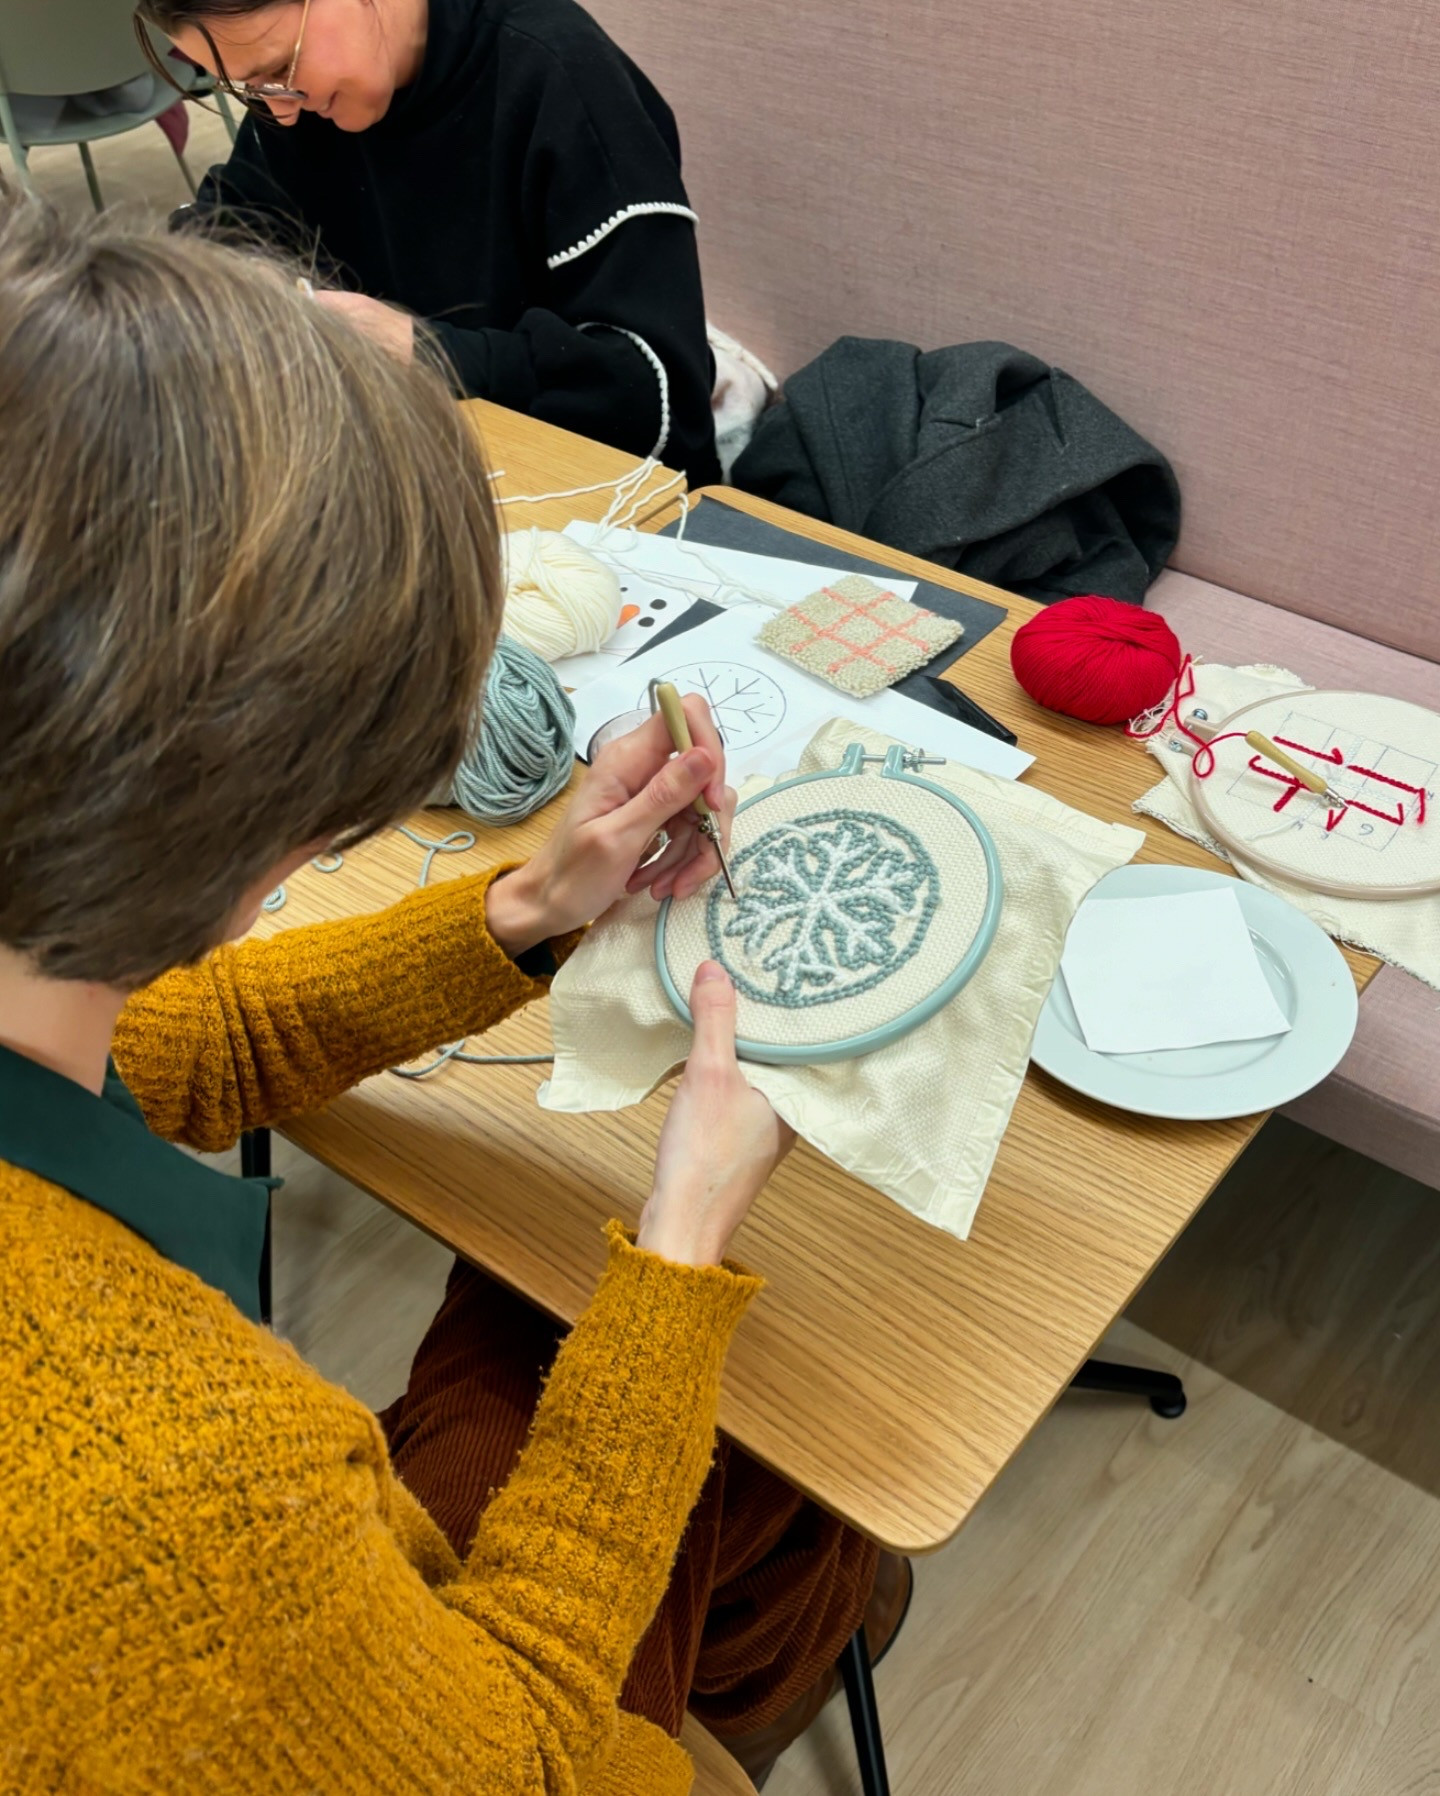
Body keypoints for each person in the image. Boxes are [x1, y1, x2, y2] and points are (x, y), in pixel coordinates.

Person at [0, 194, 903, 1794]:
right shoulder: (171, 1501)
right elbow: (523, 1762)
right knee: (617, 1341)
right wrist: (683, 1244)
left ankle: (787, 1620)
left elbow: (163, 1046)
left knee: (585, 1339)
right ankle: (776, 1649)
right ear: (251, 827)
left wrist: (532, 907)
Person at [136, 0, 723, 487]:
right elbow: (225, 225)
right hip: (415, 477)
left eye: (277, 71)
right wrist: (239, 282)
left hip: (609, 513)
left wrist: (420, 350)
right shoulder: (298, 100)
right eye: (244, 88)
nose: (277, 112)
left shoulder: (561, 79)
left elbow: (652, 393)